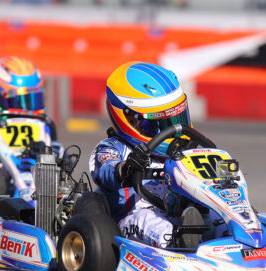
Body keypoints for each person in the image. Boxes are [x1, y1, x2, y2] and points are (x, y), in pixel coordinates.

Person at [89, 61, 225, 248]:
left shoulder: (186, 147)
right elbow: (104, 170)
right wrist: (125, 169)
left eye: (176, 118)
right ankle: (177, 243)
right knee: (154, 224)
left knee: (219, 217)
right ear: (130, 119)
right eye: (160, 123)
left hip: (184, 211)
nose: (170, 130)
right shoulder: (112, 147)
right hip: (133, 216)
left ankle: (240, 241)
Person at [0, 56, 62, 203]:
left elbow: (64, 158)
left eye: (31, 99)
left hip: (38, 185)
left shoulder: (44, 127)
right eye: (17, 100)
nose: (24, 108)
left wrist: (58, 153)